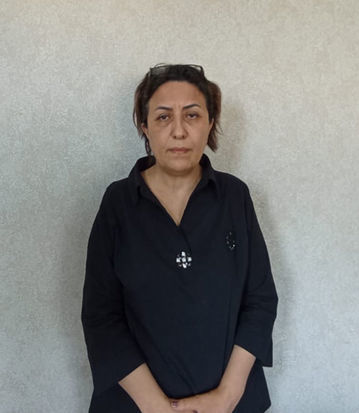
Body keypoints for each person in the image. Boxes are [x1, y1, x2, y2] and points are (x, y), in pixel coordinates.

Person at [81, 64, 278, 413]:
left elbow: (260, 301)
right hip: (134, 405)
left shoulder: (235, 197)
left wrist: (226, 398)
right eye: (163, 117)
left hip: (231, 404)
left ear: (210, 123)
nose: (178, 131)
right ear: (144, 126)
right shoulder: (118, 203)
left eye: (192, 115)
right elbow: (101, 316)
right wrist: (156, 407)